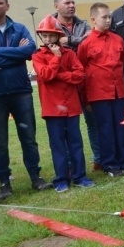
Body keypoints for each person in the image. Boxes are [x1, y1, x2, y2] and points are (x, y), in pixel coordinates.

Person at [0, 0, 50, 199]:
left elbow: (29, 51)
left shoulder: (19, 28)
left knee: (29, 138)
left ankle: (36, 177)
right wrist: (13, 54)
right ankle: (4, 182)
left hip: (21, 92)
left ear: (7, 6)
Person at [32, 15, 94, 192]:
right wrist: (56, 59)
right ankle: (61, 179)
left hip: (71, 107)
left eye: (51, 35)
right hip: (52, 109)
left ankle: (80, 176)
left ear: (58, 36)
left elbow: (79, 75)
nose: (47, 39)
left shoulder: (70, 53)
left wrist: (60, 75)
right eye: (44, 36)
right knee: (58, 145)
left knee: (76, 143)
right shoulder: (38, 56)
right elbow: (45, 76)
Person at [78, 3, 124, 177]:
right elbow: (81, 70)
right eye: (104, 17)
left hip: (118, 91)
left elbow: (122, 61)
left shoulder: (117, 40)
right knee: (105, 129)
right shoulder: (86, 44)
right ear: (93, 19)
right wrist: (85, 99)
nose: (109, 20)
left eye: (110, 17)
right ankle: (110, 165)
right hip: (98, 93)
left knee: (120, 127)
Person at [52, 0, 101, 170]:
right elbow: (53, 47)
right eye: (67, 3)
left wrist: (70, 40)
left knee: (92, 121)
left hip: (85, 79)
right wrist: (80, 41)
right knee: (67, 126)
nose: (71, 5)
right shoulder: (50, 25)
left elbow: (89, 44)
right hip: (63, 82)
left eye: (73, 2)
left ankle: (99, 158)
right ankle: (71, 165)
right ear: (56, 6)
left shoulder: (83, 24)